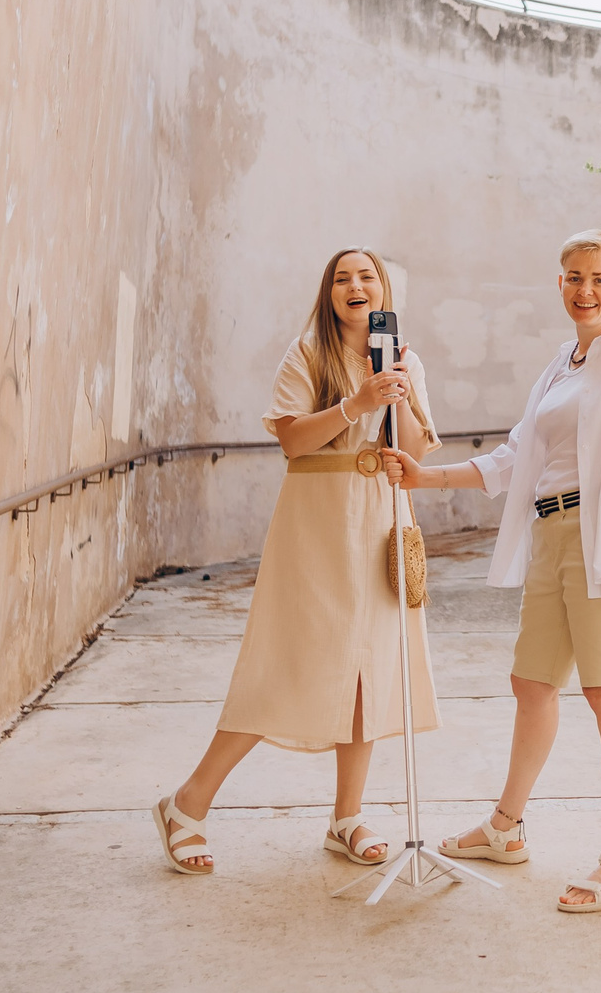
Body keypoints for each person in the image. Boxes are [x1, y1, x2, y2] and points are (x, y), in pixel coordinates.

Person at [383, 230, 601, 912]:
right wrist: (426, 477)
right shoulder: (560, 367)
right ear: (560, 283)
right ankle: (506, 828)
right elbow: (514, 458)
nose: (585, 289)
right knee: (532, 681)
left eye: (600, 278)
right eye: (574, 276)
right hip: (552, 534)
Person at [152, 247, 439, 875]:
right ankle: (187, 804)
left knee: (368, 671)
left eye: (367, 277)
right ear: (329, 294)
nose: (355, 285)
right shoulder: (308, 351)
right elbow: (290, 440)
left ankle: (347, 816)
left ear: (384, 290)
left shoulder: (405, 358)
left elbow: (414, 452)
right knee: (285, 664)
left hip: (382, 519)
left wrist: (398, 392)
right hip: (317, 524)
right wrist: (356, 404)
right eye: (343, 278)